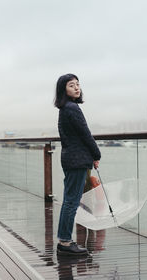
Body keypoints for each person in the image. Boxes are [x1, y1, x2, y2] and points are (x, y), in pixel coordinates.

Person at [54, 73, 101, 256]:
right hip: (77, 160)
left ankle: (64, 240)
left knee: (69, 201)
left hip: (70, 159)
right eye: (71, 85)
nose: (76, 87)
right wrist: (96, 153)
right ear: (63, 90)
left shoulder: (65, 108)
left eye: (78, 84)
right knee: (71, 202)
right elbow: (85, 134)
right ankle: (65, 242)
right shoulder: (72, 108)